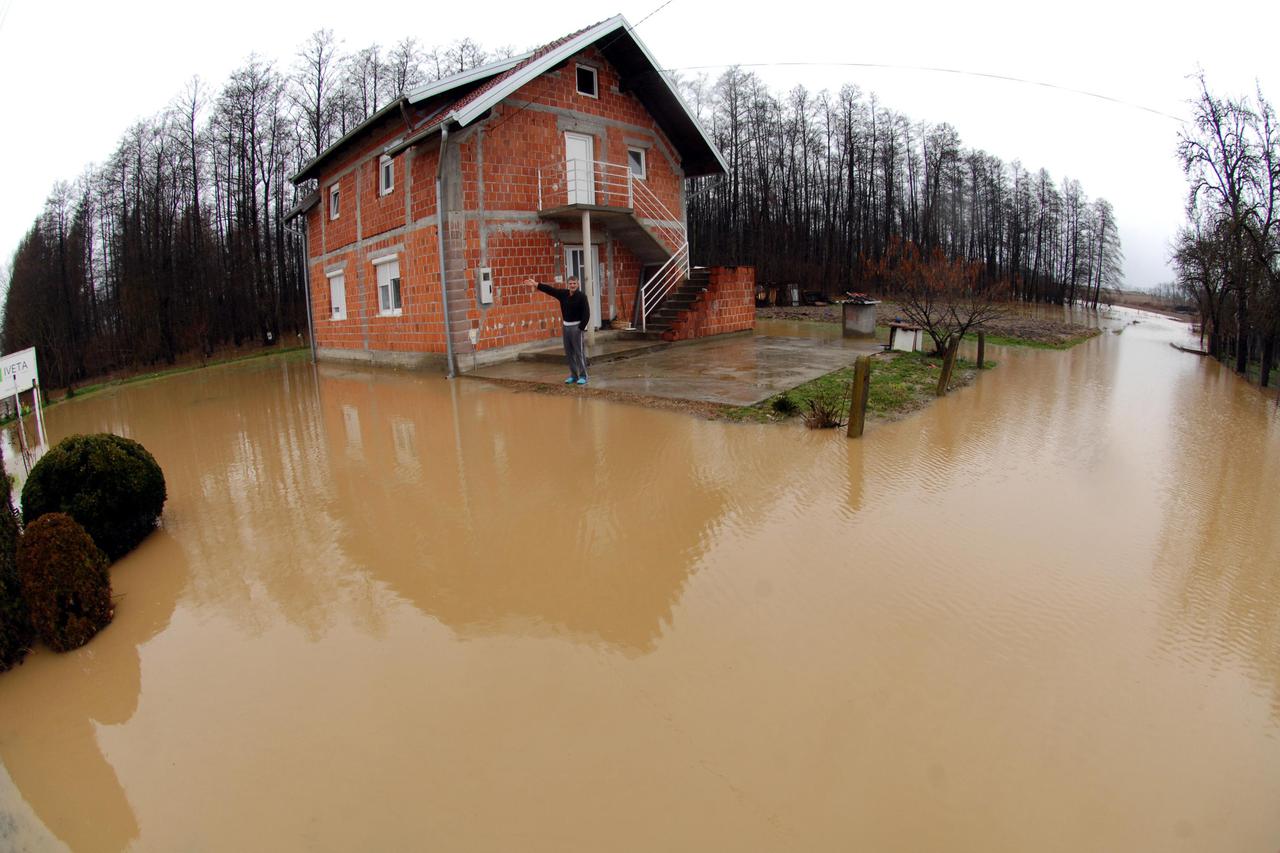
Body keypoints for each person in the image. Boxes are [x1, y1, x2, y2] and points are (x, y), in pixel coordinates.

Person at [527, 276, 591, 385]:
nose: (572, 285)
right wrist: (536, 284)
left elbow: (586, 313)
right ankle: (574, 376)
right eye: (570, 283)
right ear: (568, 284)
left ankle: (583, 376)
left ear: (578, 284)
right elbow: (550, 290)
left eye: (574, 283)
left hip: (576, 328)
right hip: (566, 327)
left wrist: (581, 328)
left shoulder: (582, 297)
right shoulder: (563, 294)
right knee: (569, 353)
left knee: (579, 352)